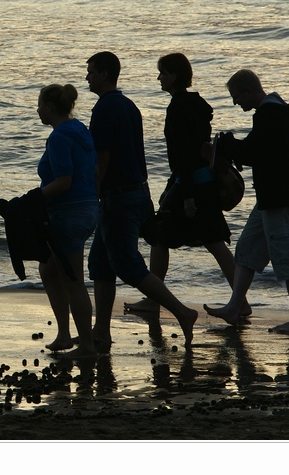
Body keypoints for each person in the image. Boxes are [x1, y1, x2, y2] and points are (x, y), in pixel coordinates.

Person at [85, 51, 199, 347]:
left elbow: (103, 158)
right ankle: (101, 332)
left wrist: (92, 193)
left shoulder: (105, 109)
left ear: (105, 74)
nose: (87, 77)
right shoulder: (128, 106)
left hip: (117, 197)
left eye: (91, 71)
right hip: (137, 191)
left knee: (126, 264)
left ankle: (182, 312)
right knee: (100, 263)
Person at [124, 53, 247, 317]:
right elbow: (196, 151)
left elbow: (183, 155)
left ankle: (153, 300)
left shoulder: (178, 107)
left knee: (160, 236)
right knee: (213, 242)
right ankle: (241, 301)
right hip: (203, 183)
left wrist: (186, 195)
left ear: (174, 76)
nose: (159, 78)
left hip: (190, 186)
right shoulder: (197, 104)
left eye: (163, 73)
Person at [204, 69, 289, 334]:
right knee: (247, 249)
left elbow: (252, 152)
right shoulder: (271, 113)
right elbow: (256, 150)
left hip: (279, 199)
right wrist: (233, 146)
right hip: (269, 198)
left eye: (236, 96)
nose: (235, 102)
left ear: (250, 91)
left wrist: (229, 146)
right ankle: (234, 307)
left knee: (286, 259)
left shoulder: (270, 115)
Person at [34, 83, 100, 358]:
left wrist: (32, 198)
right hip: (86, 208)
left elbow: (63, 181)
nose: (37, 110)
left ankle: (87, 346)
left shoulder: (59, 136)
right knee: (49, 270)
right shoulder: (80, 129)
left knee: (73, 280)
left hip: (69, 213)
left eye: (39, 105)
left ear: (49, 107)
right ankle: (64, 334)